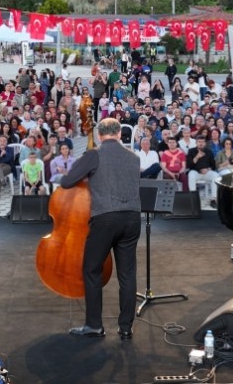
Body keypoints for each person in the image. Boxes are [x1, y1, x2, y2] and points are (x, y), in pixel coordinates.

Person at [61, 118, 141, 340]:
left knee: (92, 269)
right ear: (119, 134)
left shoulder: (94, 155)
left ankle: (94, 325)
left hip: (105, 218)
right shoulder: (134, 157)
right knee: (127, 274)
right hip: (132, 218)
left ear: (99, 135)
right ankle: (126, 328)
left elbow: (67, 182)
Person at [186, 137, 219, 208]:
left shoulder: (209, 152)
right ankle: (193, 198)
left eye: (202, 142)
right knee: (191, 175)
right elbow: (189, 165)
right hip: (195, 172)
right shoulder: (191, 151)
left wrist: (208, 169)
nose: (201, 143)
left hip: (207, 172)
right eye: (199, 142)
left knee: (216, 175)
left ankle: (214, 199)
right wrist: (197, 157)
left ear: (205, 143)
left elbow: (213, 165)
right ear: (196, 143)